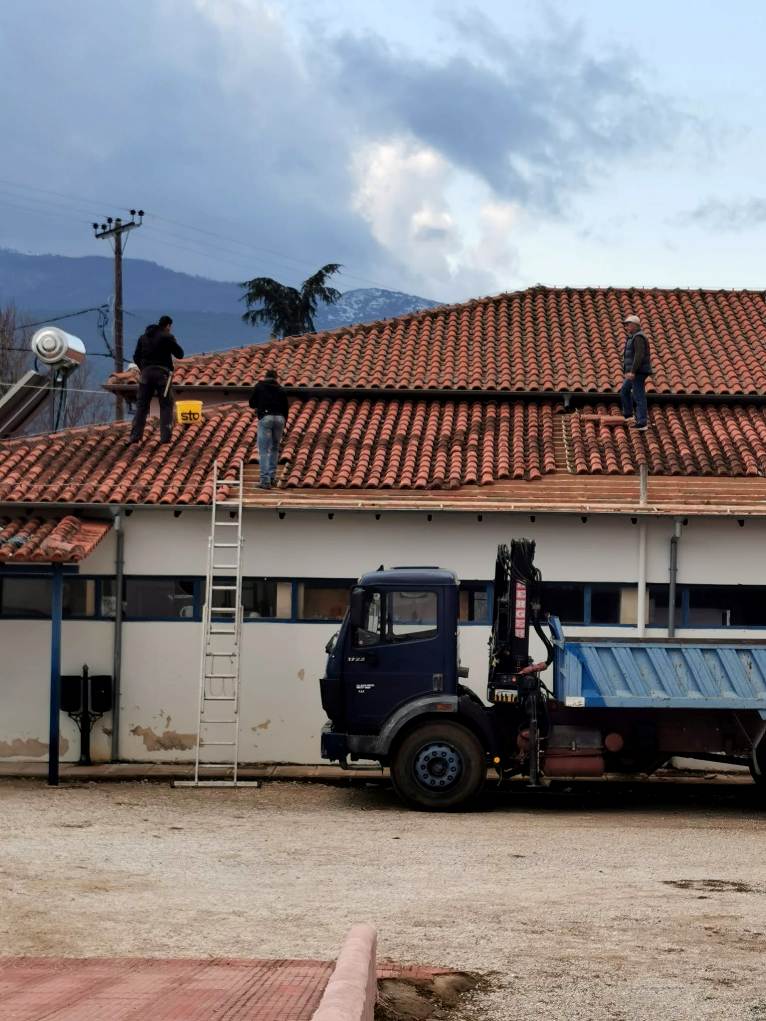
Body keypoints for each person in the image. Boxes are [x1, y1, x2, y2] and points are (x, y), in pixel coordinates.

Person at [128, 315, 184, 444]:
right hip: (162, 375)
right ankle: (165, 438)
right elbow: (180, 354)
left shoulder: (143, 338)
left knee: (141, 406)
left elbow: (136, 356)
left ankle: (135, 436)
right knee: (165, 405)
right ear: (168, 326)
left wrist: (144, 368)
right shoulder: (167, 337)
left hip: (146, 375)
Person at [249, 368, 288, 488]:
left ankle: (264, 481)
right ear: (276, 378)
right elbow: (286, 407)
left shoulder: (259, 387)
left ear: (265, 377)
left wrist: (261, 405)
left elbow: (252, 403)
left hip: (266, 418)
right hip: (280, 419)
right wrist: (284, 422)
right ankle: (272, 477)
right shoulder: (280, 389)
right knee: (275, 448)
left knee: (264, 450)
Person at [619, 314, 652, 431]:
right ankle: (628, 416)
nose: (626, 327)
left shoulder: (638, 337)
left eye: (628, 325)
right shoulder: (632, 337)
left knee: (638, 395)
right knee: (624, 390)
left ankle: (642, 422)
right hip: (634, 372)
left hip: (638, 372)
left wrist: (632, 371)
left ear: (634, 325)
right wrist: (626, 371)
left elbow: (639, 355)